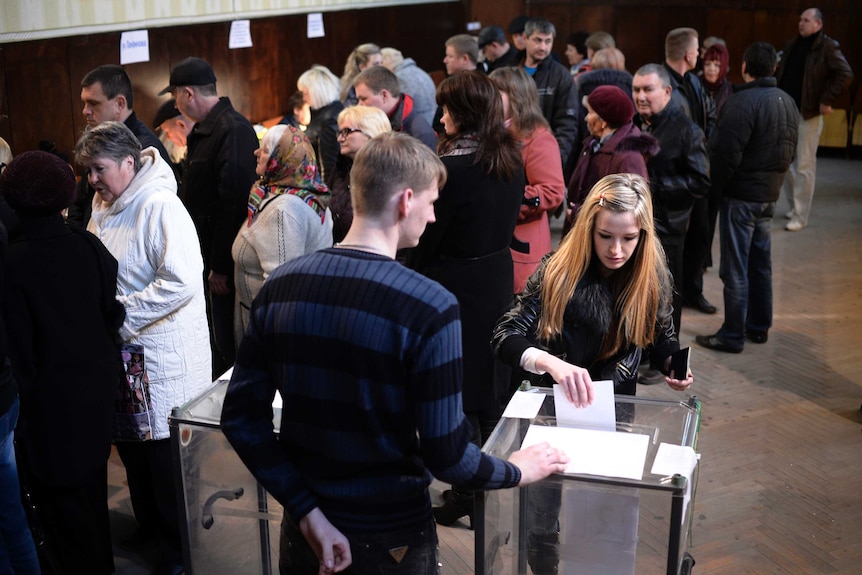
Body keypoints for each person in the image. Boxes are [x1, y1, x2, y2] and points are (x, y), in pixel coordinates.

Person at [221, 132, 568, 575]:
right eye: (432, 202)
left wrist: (306, 510)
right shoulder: (430, 305)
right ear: (406, 201)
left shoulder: (281, 286)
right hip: (393, 537)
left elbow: (241, 418)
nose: (434, 215)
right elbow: (450, 457)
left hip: (306, 529)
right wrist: (515, 469)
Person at [493, 173, 694, 575]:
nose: (617, 250)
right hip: (551, 415)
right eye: (606, 236)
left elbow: (661, 336)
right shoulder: (557, 272)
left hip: (616, 415)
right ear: (589, 228)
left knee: (605, 516)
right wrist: (550, 362)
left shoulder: (650, 276)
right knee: (540, 519)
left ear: (644, 234)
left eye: (629, 238)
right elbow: (505, 334)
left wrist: (674, 364)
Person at [77, 121, 212, 575]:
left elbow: (181, 281)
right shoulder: (102, 203)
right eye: (88, 171)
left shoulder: (160, 206)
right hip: (123, 353)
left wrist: (119, 313)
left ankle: (178, 547)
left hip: (158, 353)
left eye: (98, 169)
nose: (91, 180)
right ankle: (150, 526)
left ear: (129, 163)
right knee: (133, 450)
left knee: (162, 460)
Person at [408, 71, 525, 527]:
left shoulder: (453, 170)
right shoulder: (509, 157)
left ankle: (468, 489)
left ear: (466, 113)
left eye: (447, 109)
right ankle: (477, 487)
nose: (441, 118)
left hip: (455, 284)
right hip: (494, 278)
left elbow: (428, 240)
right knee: (486, 387)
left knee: (460, 391)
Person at [1, 151, 124, 573]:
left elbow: (19, 353)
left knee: (61, 515)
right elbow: (113, 312)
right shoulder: (87, 243)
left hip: (49, 408)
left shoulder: (13, 263)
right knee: (91, 498)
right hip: (93, 393)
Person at [160, 56, 259, 378]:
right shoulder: (210, 129)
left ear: (188, 93)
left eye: (175, 95)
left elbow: (232, 202)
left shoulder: (233, 130)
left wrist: (220, 265)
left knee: (225, 343)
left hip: (220, 260)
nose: (175, 103)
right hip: (204, 253)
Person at [696, 42, 799, 353]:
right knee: (760, 264)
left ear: (744, 67)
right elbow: (790, 150)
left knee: (735, 268)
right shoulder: (787, 101)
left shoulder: (743, 102)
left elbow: (724, 154)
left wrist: (716, 190)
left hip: (742, 198)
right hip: (769, 196)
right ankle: (758, 327)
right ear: (773, 68)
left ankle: (732, 335)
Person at [632, 64, 709, 381]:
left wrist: (654, 185)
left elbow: (700, 181)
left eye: (647, 89)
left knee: (667, 297)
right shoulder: (638, 124)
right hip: (639, 224)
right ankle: (640, 352)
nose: (640, 96)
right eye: (636, 90)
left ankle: (667, 362)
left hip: (670, 228)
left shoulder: (686, 130)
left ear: (667, 91)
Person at [232, 124, 333, 346]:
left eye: (266, 151)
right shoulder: (304, 193)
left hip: (269, 333)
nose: (256, 153)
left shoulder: (284, 209)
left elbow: (281, 287)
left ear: (284, 160)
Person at [489, 66, 565, 294]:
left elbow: (552, 191)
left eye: (496, 93)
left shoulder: (539, 139)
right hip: (494, 245)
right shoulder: (492, 132)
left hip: (520, 248)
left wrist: (508, 202)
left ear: (516, 98)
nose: (489, 99)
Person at [776, 7, 853, 232]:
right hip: (787, 109)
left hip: (808, 112)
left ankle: (801, 215)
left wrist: (826, 98)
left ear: (818, 24)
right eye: (800, 19)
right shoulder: (793, 43)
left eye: (806, 20)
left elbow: (845, 73)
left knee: (804, 165)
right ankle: (793, 207)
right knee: (785, 162)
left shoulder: (828, 47)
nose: (801, 24)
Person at [68, 64, 171, 229]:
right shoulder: (98, 142)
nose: (85, 111)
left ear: (120, 104)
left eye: (93, 103)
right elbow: (79, 203)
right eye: (84, 103)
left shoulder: (147, 150)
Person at [663, 28, 719, 316]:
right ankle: (674, 299)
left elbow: (709, 114)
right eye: (697, 50)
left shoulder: (694, 82)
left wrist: (702, 145)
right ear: (688, 54)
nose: (698, 54)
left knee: (700, 236)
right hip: (675, 176)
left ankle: (693, 292)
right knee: (674, 247)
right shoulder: (663, 85)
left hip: (696, 173)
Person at [564, 85, 659, 234]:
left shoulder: (629, 158)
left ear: (603, 121)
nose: (586, 118)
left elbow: (628, 208)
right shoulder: (593, 143)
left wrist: (582, 213)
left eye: (590, 112)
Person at [520, 18, 579, 176]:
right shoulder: (511, 72)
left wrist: (556, 159)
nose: (543, 47)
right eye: (538, 40)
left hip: (545, 156)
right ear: (525, 38)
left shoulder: (561, 76)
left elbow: (567, 124)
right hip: (513, 155)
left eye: (548, 41)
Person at [327, 105, 391, 243]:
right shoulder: (341, 168)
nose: (340, 139)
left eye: (347, 131)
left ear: (371, 133)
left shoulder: (388, 174)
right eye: (340, 132)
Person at [353, 65, 437, 150]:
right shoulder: (373, 121)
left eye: (363, 99)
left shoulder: (420, 133)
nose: (359, 105)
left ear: (384, 95)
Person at [297, 65, 344, 182]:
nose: (303, 98)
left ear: (316, 92)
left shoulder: (330, 121)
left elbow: (329, 167)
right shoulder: (326, 111)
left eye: (305, 93)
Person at [380, 47, 437, 127]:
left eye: (380, 62)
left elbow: (398, 109)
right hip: (431, 121)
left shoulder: (400, 77)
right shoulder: (417, 70)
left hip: (418, 126)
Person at [700, 43, 733, 115]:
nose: (711, 69)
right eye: (707, 64)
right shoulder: (695, 86)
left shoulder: (730, 92)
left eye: (717, 65)